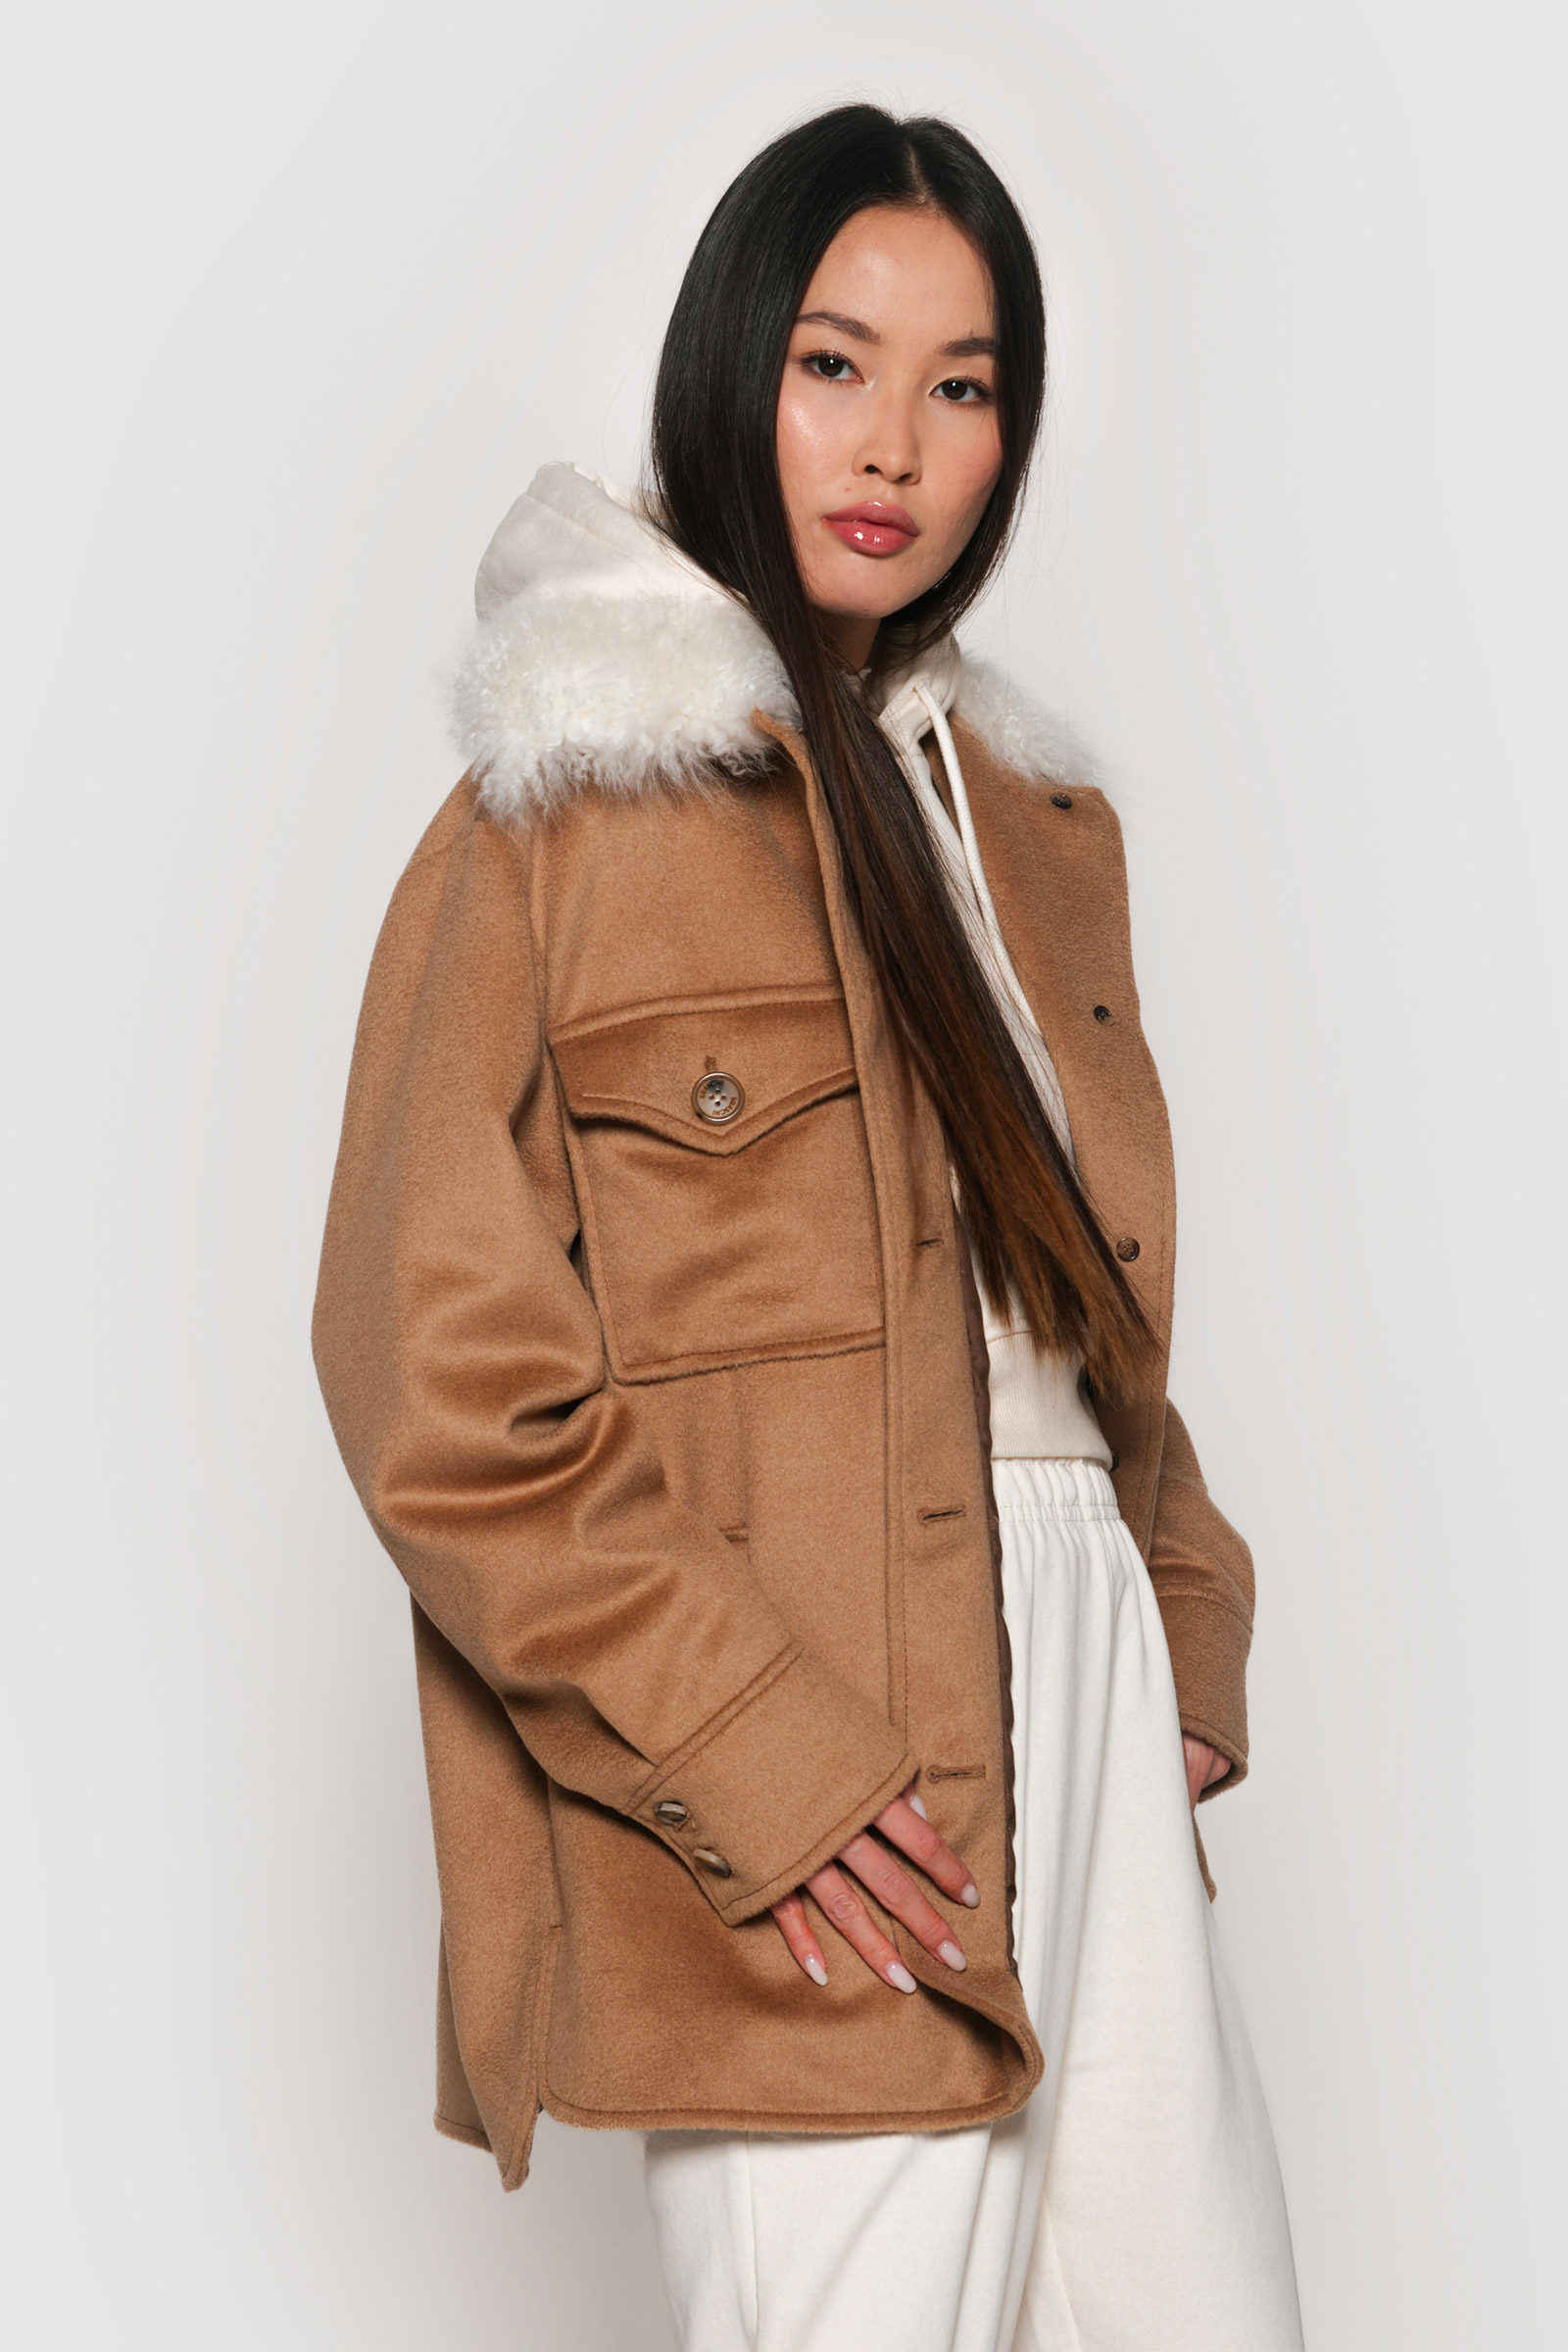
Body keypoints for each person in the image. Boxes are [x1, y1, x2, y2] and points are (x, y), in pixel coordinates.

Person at [314, 103, 1304, 2352]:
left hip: (1082, 1695)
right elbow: (435, 1388)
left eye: (962, 386)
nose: (892, 446)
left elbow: (1074, 1311)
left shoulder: (1024, 827)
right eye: (832, 365)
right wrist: (752, 1748)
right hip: (815, 1752)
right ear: (726, 365)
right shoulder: (557, 820)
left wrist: (1178, 1620)